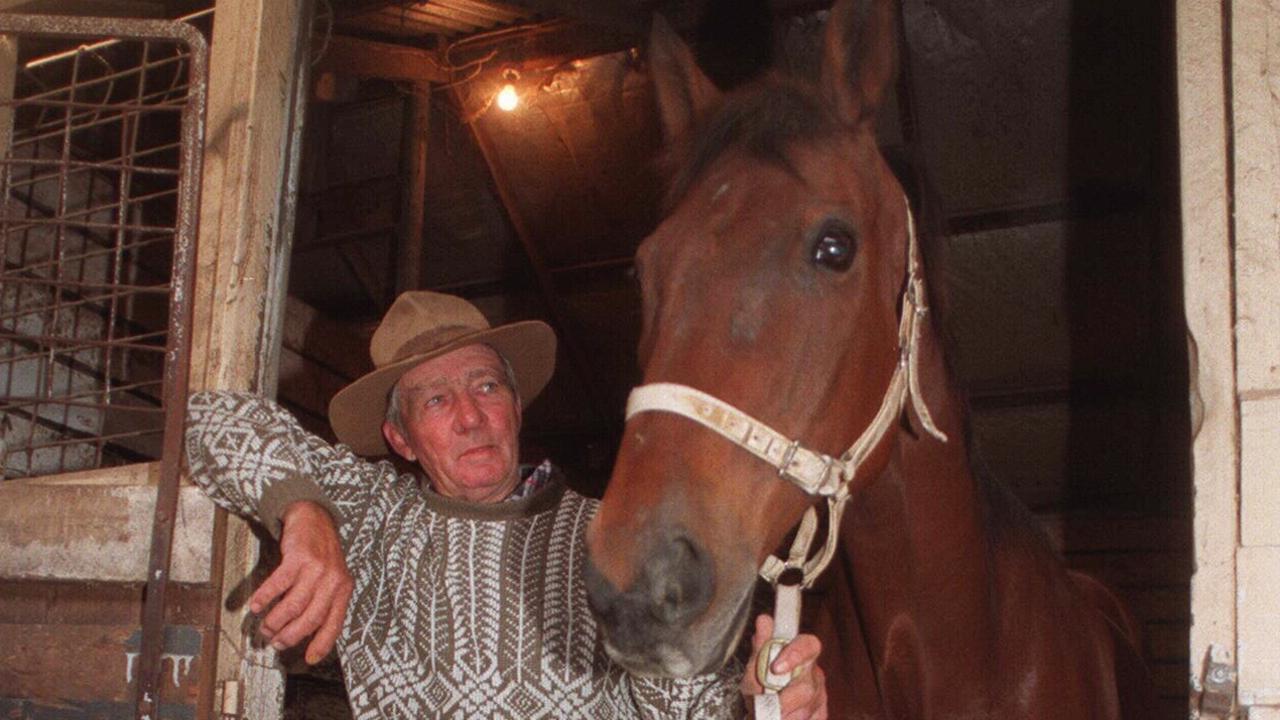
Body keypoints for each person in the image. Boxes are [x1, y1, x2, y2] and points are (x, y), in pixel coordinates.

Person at [185, 291, 827, 719]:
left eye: (486, 386)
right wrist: (305, 511)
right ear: (400, 439)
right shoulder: (373, 514)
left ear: (516, 408)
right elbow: (208, 420)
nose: (469, 416)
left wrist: (757, 703)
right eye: (435, 400)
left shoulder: (608, 535)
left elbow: (683, 706)